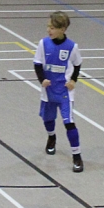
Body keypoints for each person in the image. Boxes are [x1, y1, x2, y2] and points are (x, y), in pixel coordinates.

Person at [34, 11, 84, 172]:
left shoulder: (72, 47)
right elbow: (37, 63)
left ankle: (77, 156)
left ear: (62, 29)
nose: (49, 30)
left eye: (52, 28)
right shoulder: (43, 44)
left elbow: (77, 64)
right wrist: (42, 80)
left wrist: (73, 80)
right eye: (48, 27)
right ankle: (51, 137)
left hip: (64, 92)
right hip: (48, 90)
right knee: (48, 118)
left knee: (69, 122)